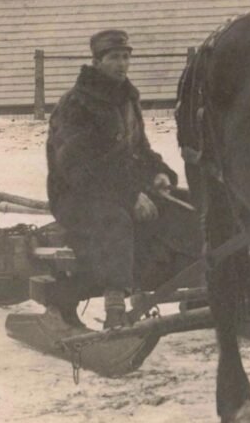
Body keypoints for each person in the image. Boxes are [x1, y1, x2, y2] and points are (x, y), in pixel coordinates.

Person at [46, 29, 177, 329]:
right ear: (96, 61)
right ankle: (115, 308)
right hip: (75, 196)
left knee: (181, 205)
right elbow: (78, 169)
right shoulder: (77, 104)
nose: (122, 64)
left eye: (126, 57)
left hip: (119, 188)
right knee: (116, 220)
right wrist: (130, 196)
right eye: (114, 58)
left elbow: (139, 149)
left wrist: (158, 173)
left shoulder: (127, 99)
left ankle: (196, 287)